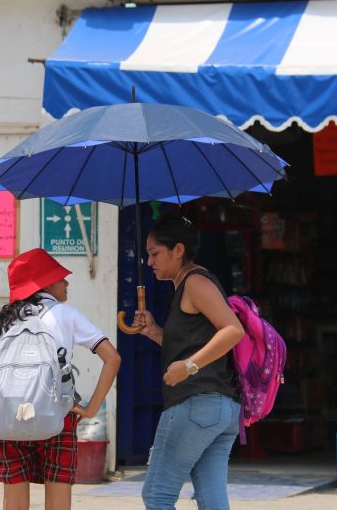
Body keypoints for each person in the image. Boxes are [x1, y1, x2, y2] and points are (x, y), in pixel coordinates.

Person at [0, 248, 121, 510]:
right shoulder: (67, 315)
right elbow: (113, 358)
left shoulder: (4, 320)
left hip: (9, 417)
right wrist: (89, 409)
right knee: (58, 500)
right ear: (43, 283)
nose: (66, 282)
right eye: (59, 277)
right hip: (58, 414)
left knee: (14, 502)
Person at [132, 213, 245, 510]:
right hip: (219, 410)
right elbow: (190, 344)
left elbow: (233, 330)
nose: (150, 262)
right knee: (212, 501)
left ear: (178, 250)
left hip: (197, 404)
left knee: (157, 495)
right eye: (147, 255)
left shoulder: (195, 282)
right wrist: (155, 332)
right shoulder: (188, 285)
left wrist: (190, 367)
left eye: (155, 253)